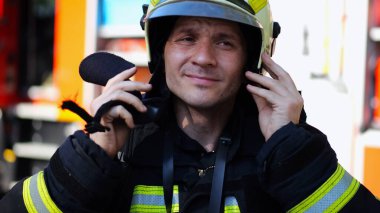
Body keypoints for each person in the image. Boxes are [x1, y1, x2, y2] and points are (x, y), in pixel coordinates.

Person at [1, 0, 380, 212]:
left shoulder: (289, 154)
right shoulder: (119, 147)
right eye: (186, 37)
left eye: (225, 42)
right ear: (160, 51)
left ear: (257, 57)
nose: (203, 57)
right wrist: (91, 157)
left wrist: (292, 151)